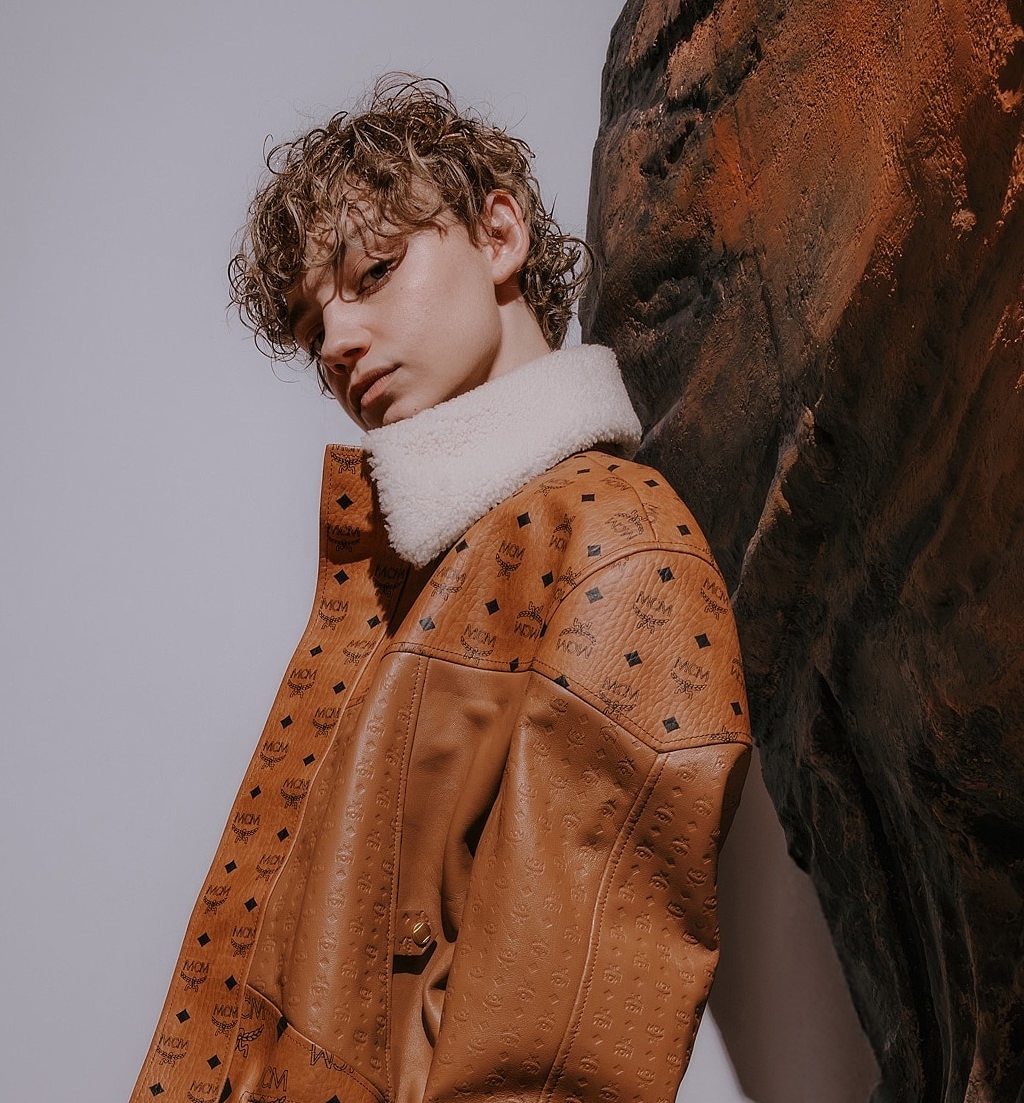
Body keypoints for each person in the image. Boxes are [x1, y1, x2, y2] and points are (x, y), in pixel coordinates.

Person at [130, 75, 751, 1103]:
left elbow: (559, 1054)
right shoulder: (431, 569)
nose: (333, 342)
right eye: (308, 324)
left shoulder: (616, 548)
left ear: (498, 233)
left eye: (372, 271)